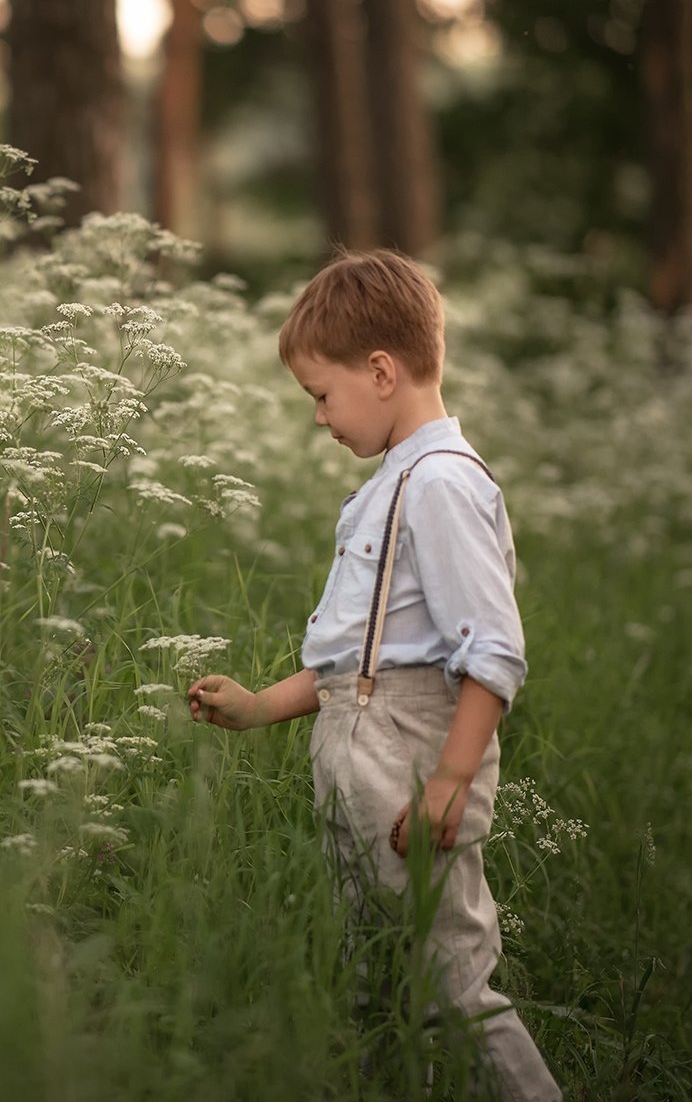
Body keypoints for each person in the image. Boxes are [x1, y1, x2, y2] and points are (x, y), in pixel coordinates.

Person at [186, 248, 562, 1102]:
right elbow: (356, 663)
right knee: (378, 984)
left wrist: (451, 779)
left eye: (322, 395)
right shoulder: (397, 481)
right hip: (363, 753)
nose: (319, 418)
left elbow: (493, 652)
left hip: (411, 765)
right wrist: (257, 708)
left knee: (448, 986)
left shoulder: (439, 485)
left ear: (382, 371)